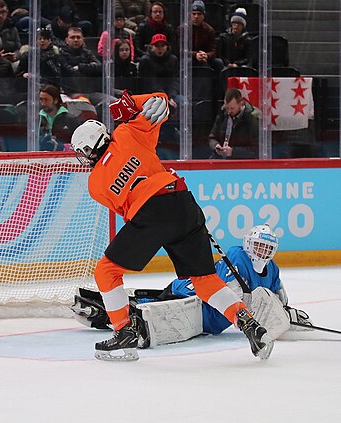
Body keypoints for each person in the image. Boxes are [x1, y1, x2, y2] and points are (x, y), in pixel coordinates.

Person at [68, 91, 273, 361]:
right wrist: (134, 104)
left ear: (88, 150)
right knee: (205, 281)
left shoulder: (95, 184)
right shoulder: (128, 133)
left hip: (150, 214)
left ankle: (124, 335)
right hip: (183, 201)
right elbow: (161, 101)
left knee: (107, 272)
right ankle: (250, 325)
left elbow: (128, 211)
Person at [73, 225, 314, 347]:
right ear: (249, 244)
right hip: (192, 296)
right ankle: (107, 312)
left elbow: (277, 296)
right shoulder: (237, 258)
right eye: (259, 246)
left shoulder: (272, 270)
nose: (263, 252)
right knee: (155, 311)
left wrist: (286, 312)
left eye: (267, 248)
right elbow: (218, 292)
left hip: (208, 320)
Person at [209, 87, 260, 159]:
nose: (229, 111)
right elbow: (212, 137)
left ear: (240, 104)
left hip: (241, 162)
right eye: (227, 108)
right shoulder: (222, 115)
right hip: (220, 158)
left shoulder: (251, 119)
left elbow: (256, 150)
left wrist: (234, 152)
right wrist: (216, 145)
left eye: (232, 108)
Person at [177, 0, 223, 73]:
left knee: (218, 62)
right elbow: (181, 50)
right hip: (189, 57)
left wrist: (206, 55)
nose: (196, 17)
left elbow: (213, 51)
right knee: (187, 61)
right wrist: (195, 55)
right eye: (194, 14)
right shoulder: (182, 29)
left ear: (203, 16)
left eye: (199, 14)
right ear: (190, 15)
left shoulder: (209, 30)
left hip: (204, 57)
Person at [137, 33, 179, 108]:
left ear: (167, 47)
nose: (160, 48)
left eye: (162, 46)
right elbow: (150, 82)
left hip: (171, 94)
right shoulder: (145, 60)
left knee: (183, 101)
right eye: (157, 46)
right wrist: (164, 96)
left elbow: (174, 80)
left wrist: (171, 96)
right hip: (151, 95)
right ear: (151, 47)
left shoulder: (173, 60)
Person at [59, 26, 101, 94]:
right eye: (72, 37)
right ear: (66, 40)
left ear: (83, 39)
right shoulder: (62, 54)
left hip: (91, 91)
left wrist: (80, 67)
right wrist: (90, 69)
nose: (76, 40)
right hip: (72, 93)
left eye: (78, 37)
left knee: (113, 102)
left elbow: (99, 67)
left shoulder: (88, 53)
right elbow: (70, 72)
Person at [38, 84, 80, 151]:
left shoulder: (70, 119)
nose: (43, 103)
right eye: (41, 99)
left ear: (55, 100)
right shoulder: (37, 119)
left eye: (46, 100)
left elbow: (79, 142)